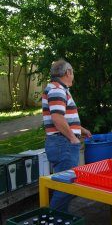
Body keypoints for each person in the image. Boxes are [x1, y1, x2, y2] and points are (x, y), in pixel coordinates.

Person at [42, 59, 91, 212]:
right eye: (73, 73)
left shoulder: (57, 88)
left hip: (60, 142)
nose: (73, 76)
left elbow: (61, 116)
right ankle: (54, 222)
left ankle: (59, 221)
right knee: (66, 187)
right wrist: (72, 137)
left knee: (64, 184)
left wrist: (81, 129)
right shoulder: (57, 89)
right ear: (67, 72)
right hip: (63, 143)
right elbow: (57, 118)